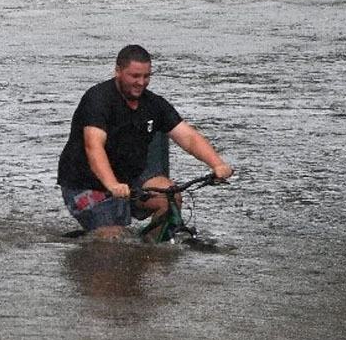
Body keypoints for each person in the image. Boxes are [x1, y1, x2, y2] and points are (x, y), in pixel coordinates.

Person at [57, 44, 234, 239]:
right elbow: (93, 146)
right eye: (135, 76)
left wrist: (217, 164)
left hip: (130, 176)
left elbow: (188, 137)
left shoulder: (153, 104)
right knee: (114, 241)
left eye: (146, 76)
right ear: (118, 71)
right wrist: (112, 184)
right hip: (86, 183)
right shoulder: (97, 100)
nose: (141, 82)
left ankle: (154, 253)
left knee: (170, 197)